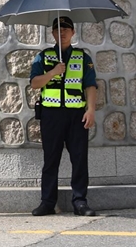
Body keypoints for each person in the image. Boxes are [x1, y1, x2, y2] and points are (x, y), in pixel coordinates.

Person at [29, 16, 97, 217]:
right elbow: (34, 83)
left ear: (73, 32)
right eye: (58, 29)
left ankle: (80, 202)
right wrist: (53, 72)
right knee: (50, 160)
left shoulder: (83, 57)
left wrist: (91, 110)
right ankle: (47, 202)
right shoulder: (43, 56)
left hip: (77, 115)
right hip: (51, 115)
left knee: (79, 159)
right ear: (52, 33)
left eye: (67, 29)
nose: (63, 32)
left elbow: (90, 85)